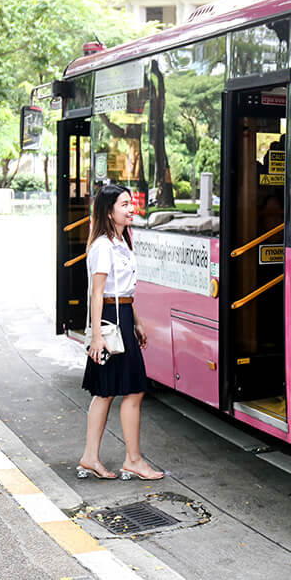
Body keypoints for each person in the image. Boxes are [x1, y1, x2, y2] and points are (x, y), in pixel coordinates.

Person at [78, 184, 164, 481]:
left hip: (122, 316)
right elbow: (98, 293)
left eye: (131, 203)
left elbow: (123, 292)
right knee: (130, 389)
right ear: (109, 211)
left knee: (108, 392)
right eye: (124, 204)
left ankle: (92, 457)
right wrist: (97, 335)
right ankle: (133, 459)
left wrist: (136, 320)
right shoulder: (103, 245)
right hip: (111, 322)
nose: (131, 209)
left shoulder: (120, 241)